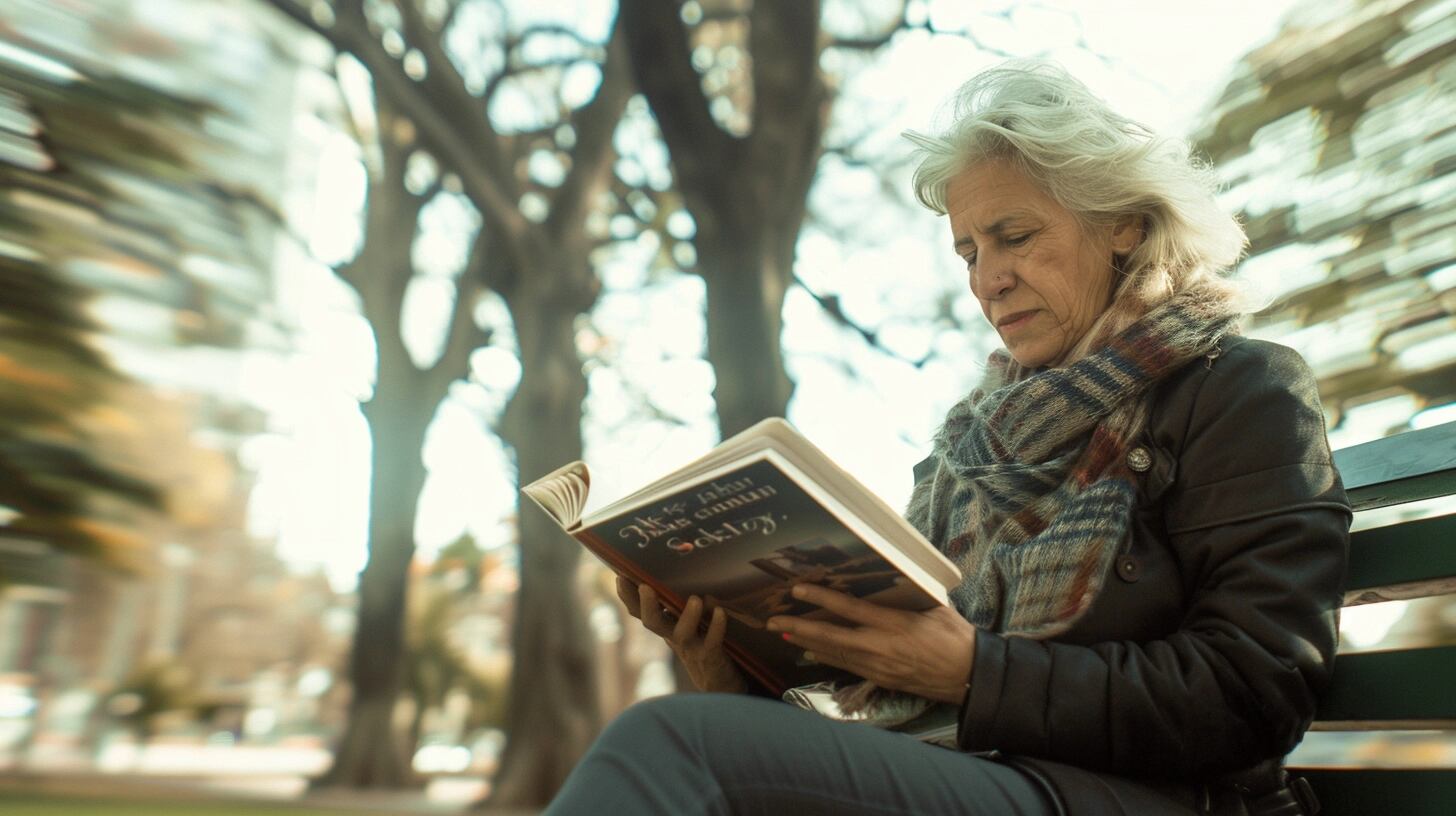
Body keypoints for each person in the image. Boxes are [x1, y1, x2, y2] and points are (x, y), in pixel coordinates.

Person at [544, 60, 1349, 816]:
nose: (986, 278)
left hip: (1148, 797)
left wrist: (975, 671)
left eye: (1015, 235)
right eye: (970, 250)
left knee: (668, 744)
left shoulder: (1239, 391)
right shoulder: (968, 446)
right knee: (686, 734)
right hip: (977, 771)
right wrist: (735, 673)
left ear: (1124, 226)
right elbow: (886, 684)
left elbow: (1253, 693)